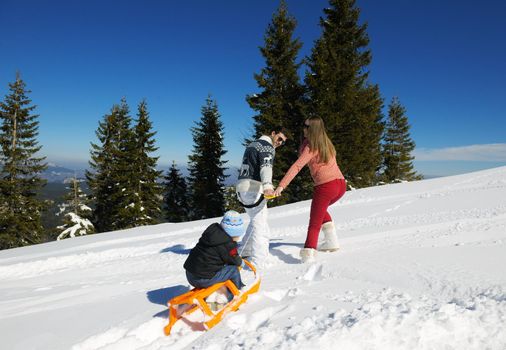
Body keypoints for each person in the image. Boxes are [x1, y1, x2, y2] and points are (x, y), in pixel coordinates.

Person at [273, 117, 346, 263]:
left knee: (314, 222)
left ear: (312, 129)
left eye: (305, 126)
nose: (303, 128)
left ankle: (308, 254)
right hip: (341, 185)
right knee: (320, 211)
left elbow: (297, 166)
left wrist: (281, 185)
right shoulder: (326, 143)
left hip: (326, 186)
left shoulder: (311, 145)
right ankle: (332, 241)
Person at [236, 126, 287, 267]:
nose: (280, 143)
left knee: (256, 220)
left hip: (242, 187)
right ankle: (260, 262)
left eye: (283, 141)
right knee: (261, 226)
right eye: (280, 138)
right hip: (253, 189)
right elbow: (266, 167)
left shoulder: (253, 144)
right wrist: (268, 186)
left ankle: (243, 250)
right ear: (273, 132)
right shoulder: (266, 147)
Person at [184, 210, 245, 305]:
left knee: (220, 266)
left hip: (190, 274)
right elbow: (235, 260)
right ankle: (235, 293)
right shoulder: (227, 244)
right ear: (233, 233)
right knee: (233, 270)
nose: (238, 238)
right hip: (202, 279)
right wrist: (241, 262)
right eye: (238, 235)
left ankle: (218, 290)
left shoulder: (212, 231)